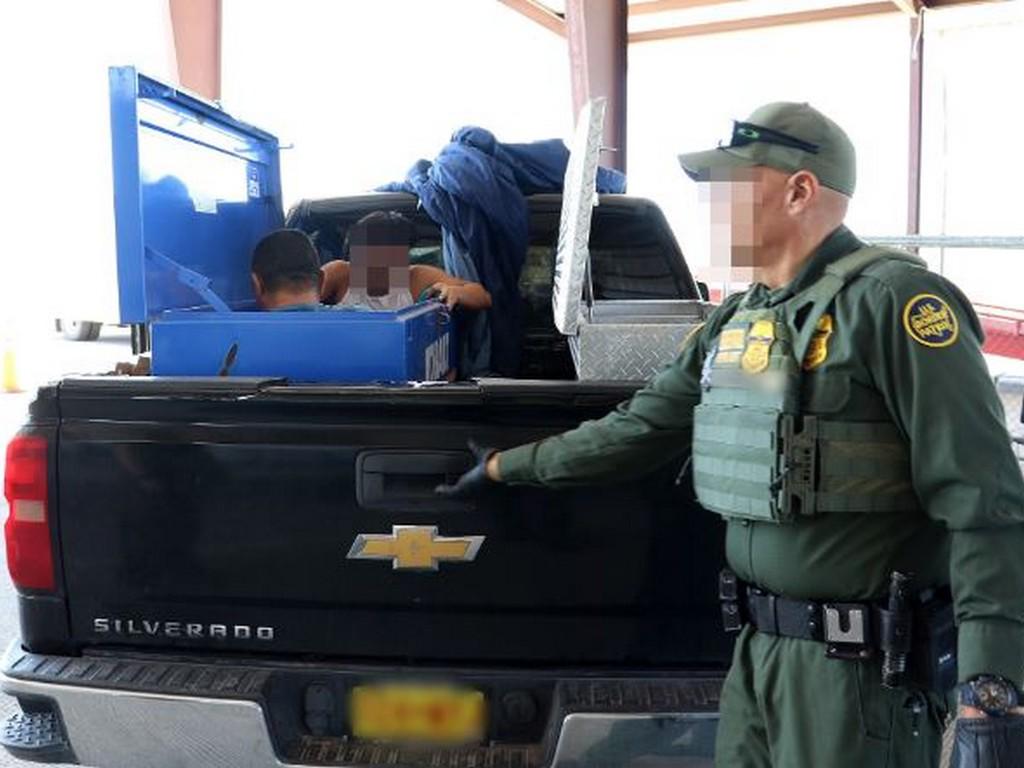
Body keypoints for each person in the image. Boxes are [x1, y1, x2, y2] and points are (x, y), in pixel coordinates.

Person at [438, 102, 1024, 767]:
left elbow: (984, 498)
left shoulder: (893, 304)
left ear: (800, 190)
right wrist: (506, 466)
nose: (714, 203)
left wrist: (992, 682)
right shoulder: (737, 322)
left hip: (857, 675)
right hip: (756, 656)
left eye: (732, 183)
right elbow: (640, 428)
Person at [320, 212, 492, 312]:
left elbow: (482, 295)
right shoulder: (339, 273)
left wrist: (455, 292)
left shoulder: (417, 277)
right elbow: (298, 301)